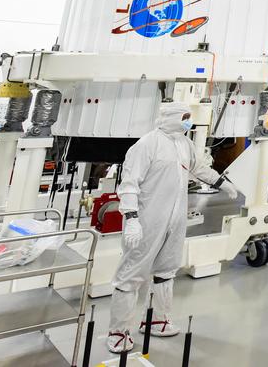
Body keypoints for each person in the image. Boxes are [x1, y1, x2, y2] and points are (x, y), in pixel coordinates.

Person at [107, 103, 236, 354]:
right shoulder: (147, 144)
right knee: (131, 274)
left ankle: (155, 320)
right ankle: (118, 332)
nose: (188, 122)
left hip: (176, 217)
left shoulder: (184, 143)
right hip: (147, 219)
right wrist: (131, 217)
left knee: (166, 270)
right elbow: (129, 184)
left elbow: (198, 169)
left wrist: (223, 183)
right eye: (185, 117)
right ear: (171, 117)